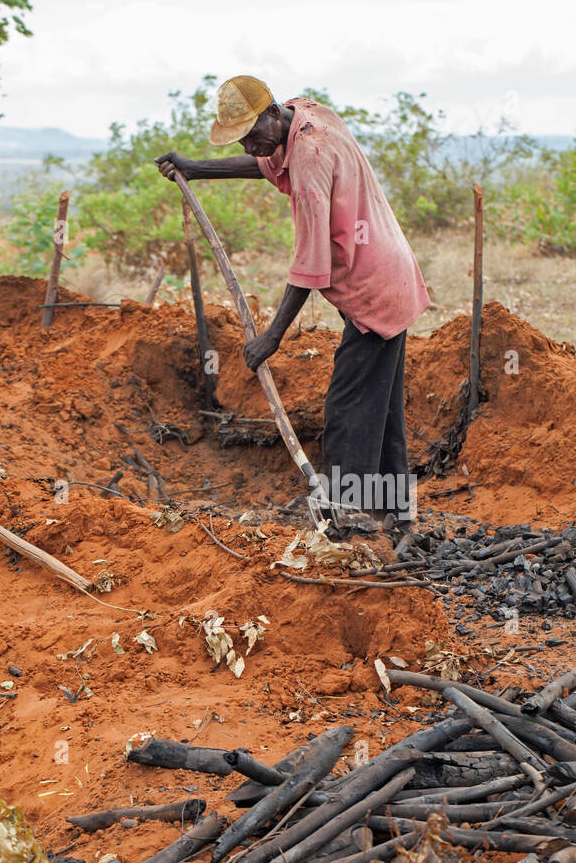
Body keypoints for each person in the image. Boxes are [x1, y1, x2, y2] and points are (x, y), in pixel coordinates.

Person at [156, 75, 429, 532]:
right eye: (240, 140)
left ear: (270, 115)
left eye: (251, 135)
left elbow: (310, 263)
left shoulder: (310, 158)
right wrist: (197, 168)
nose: (248, 147)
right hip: (389, 270)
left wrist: (271, 337)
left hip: (372, 287)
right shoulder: (303, 113)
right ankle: (396, 518)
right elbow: (266, 160)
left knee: (349, 409)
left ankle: (345, 522)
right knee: (380, 409)